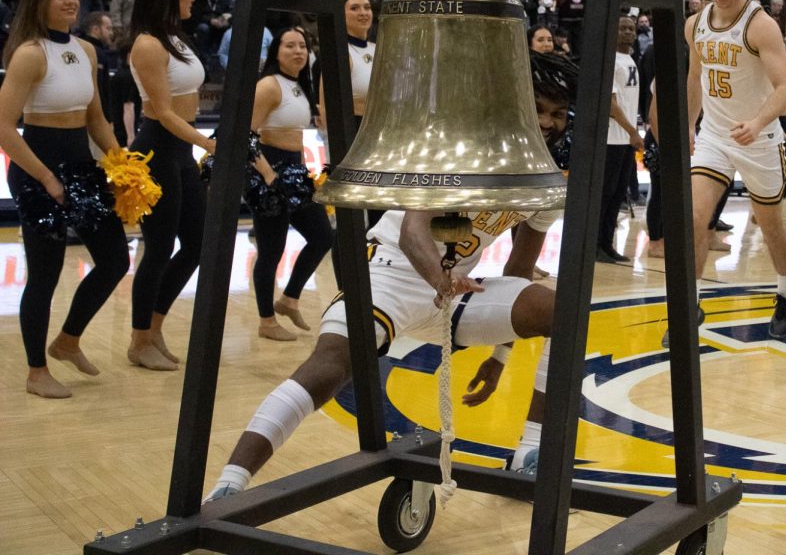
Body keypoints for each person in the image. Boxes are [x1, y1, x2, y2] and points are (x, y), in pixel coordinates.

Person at [203, 51, 578, 501]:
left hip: (454, 290)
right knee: (328, 368)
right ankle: (228, 485)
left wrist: (499, 359)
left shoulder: (548, 181)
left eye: (557, 113)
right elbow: (414, 230)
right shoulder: (462, 146)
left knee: (564, 310)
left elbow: (519, 269)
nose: (548, 122)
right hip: (393, 272)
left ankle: (531, 454)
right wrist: (440, 281)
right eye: (538, 108)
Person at [0, 0, 129, 398]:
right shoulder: (29, 54)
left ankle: (68, 340)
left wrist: (123, 165)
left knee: (115, 261)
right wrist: (44, 177)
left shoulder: (87, 51)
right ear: (39, 2)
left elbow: (95, 118)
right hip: (37, 167)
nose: (70, 1)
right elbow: (3, 126)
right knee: (45, 273)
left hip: (79, 163)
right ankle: (36, 371)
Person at [685, 0, 786, 340]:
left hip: (760, 136)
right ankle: (689, 305)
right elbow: (695, 78)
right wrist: (688, 125)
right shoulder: (696, 23)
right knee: (694, 218)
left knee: (770, 226)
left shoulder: (760, 25)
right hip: (716, 135)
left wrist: (757, 121)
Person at [127, 0, 213, 370]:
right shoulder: (147, 45)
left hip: (180, 150)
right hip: (158, 149)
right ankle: (138, 339)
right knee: (159, 249)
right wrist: (210, 144)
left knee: (196, 244)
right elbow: (161, 112)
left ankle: (155, 327)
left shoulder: (176, 38)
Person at [247, 27, 332, 339]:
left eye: (303, 46)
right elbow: (246, 135)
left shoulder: (299, 85)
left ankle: (289, 298)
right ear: (276, 52)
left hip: (295, 170)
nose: (298, 51)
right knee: (271, 250)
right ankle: (266, 321)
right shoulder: (268, 86)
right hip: (268, 169)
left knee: (323, 236)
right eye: (290, 46)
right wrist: (268, 175)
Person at [597, 15, 641, 263]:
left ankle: (607, 244)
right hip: (612, 137)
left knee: (618, 194)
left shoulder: (631, 58)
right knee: (606, 193)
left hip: (625, 139)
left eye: (630, 28)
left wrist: (632, 132)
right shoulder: (610, 60)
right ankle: (595, 245)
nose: (627, 32)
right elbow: (610, 103)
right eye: (622, 27)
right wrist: (632, 131)